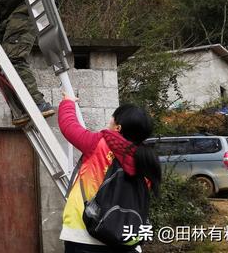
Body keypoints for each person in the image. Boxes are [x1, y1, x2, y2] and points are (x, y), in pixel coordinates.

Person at [58, 94, 162, 253]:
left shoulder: (98, 143)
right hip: (126, 240)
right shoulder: (147, 160)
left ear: (117, 127)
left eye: (112, 118)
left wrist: (68, 102)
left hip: (84, 235)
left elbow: (69, 126)